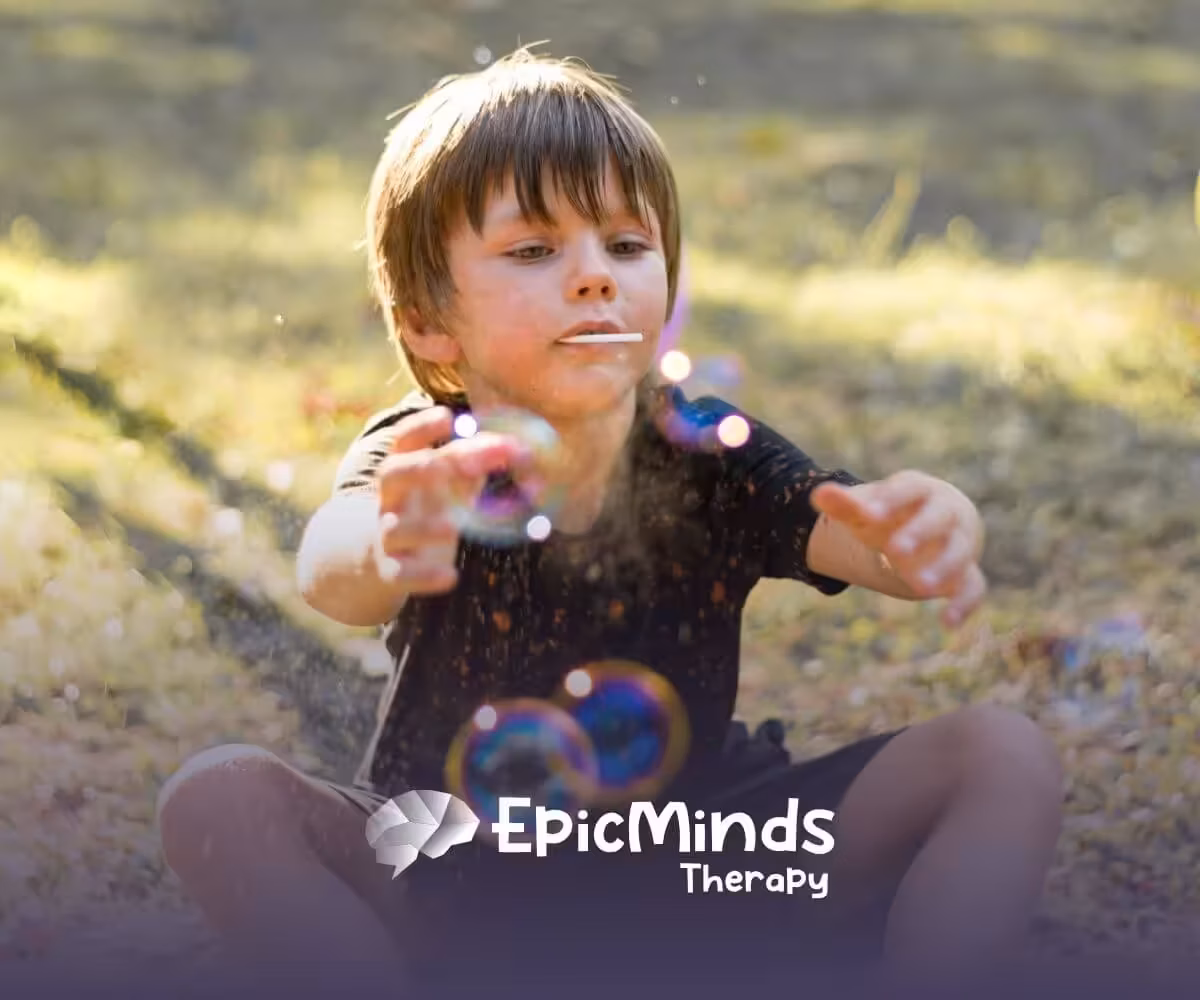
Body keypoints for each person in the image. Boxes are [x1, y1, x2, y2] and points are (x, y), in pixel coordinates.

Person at [155, 47, 1063, 998]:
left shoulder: (711, 451)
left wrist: (930, 523)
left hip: (703, 865)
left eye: (627, 246)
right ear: (429, 321)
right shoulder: (431, 456)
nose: (594, 277)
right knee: (219, 797)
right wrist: (389, 541)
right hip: (451, 877)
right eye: (535, 250)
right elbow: (332, 570)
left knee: (999, 752)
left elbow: (875, 546)